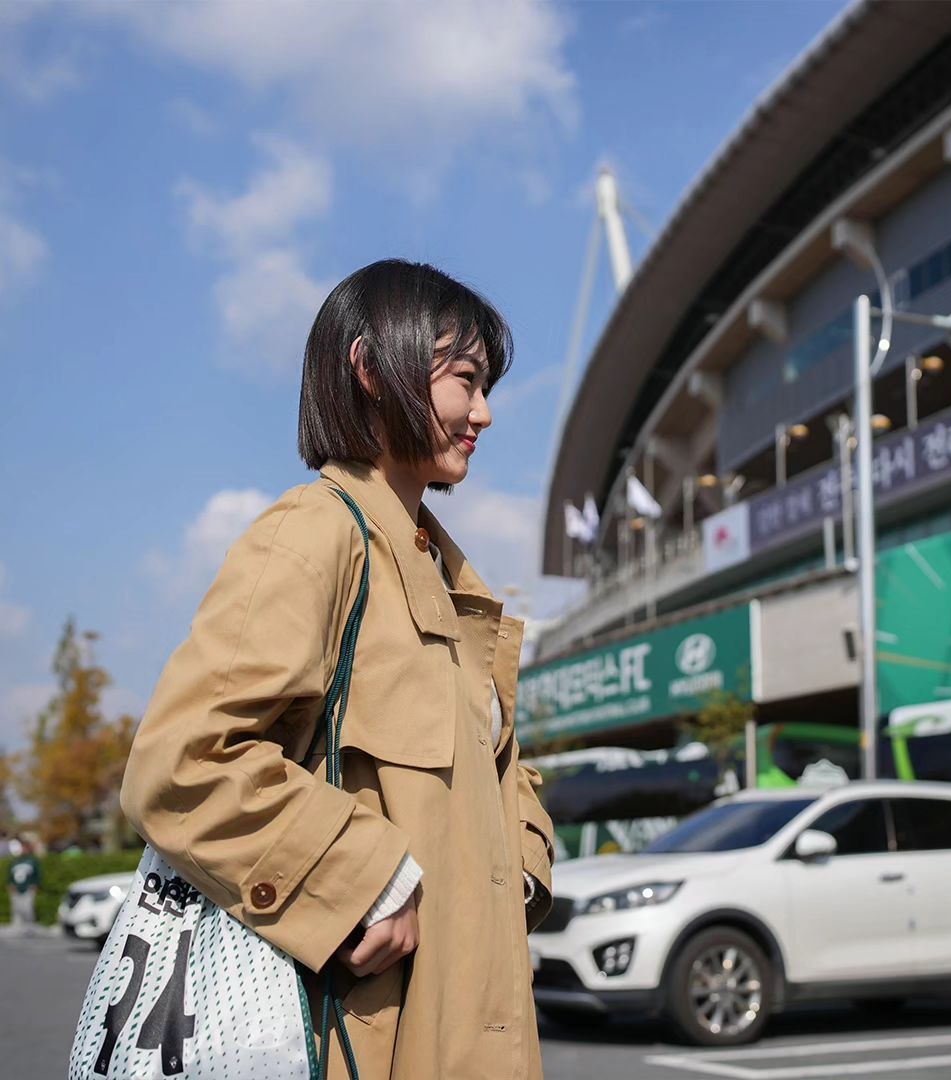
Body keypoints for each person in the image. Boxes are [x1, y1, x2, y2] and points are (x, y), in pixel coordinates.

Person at [119, 259, 555, 1079]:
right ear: (369, 367)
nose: (485, 413)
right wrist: (362, 877)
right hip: (363, 1039)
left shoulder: (451, 579)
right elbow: (182, 762)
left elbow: (499, 772)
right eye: (465, 380)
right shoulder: (314, 535)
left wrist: (521, 873)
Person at [7, 836, 41, 930]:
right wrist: (10, 884)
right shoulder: (15, 861)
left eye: (24, 847)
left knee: (28, 909)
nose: (22, 849)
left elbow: (37, 874)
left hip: (28, 887)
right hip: (16, 888)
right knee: (16, 909)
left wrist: (36, 884)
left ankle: (29, 927)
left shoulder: (33, 860)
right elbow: (10, 874)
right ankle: (17, 928)